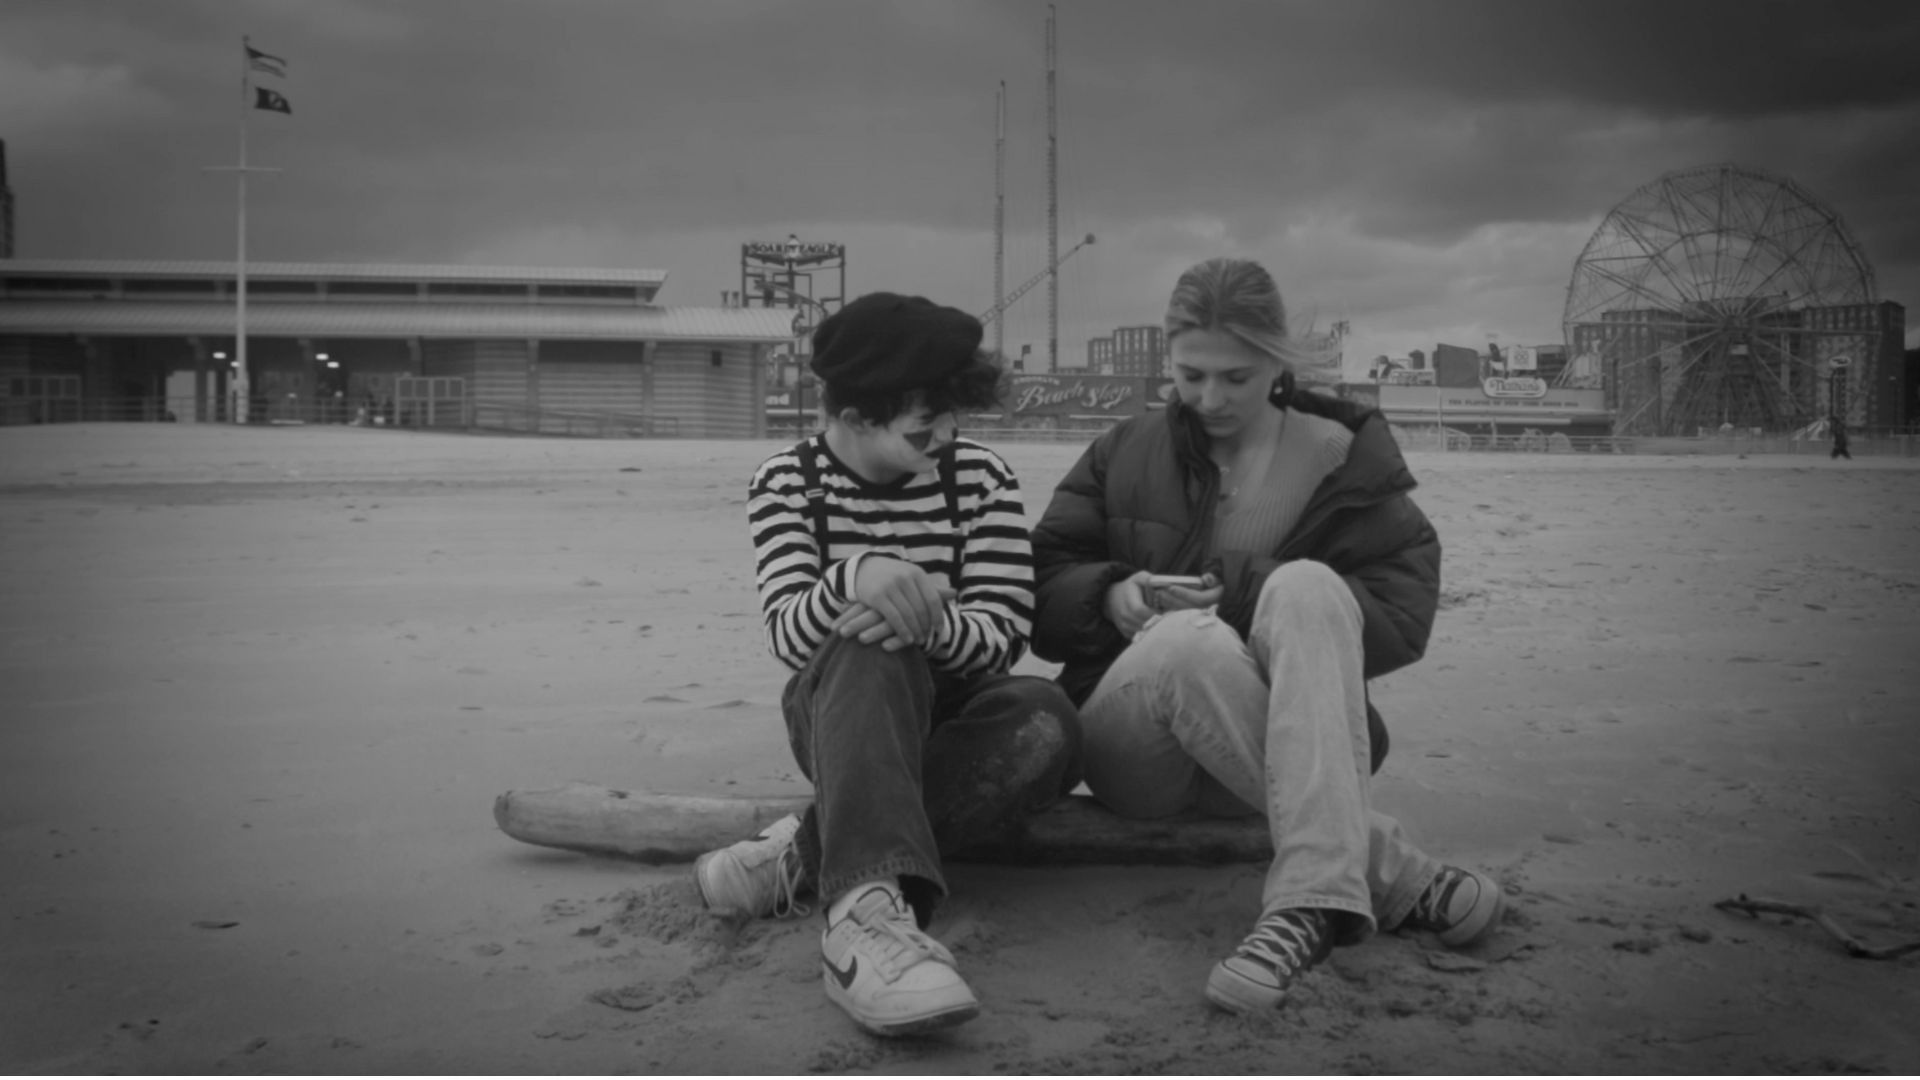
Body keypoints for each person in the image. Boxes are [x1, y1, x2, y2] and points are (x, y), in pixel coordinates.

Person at [1028, 257, 1504, 1015]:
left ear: (1278, 363)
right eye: (1190, 375)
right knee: (1185, 641)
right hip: (1133, 754)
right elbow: (1039, 580)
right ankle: (1394, 873)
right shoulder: (1125, 448)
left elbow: (1401, 613)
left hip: (1268, 753)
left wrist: (1245, 589)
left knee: (1308, 585)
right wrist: (1111, 594)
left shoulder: (1340, 458)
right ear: (1169, 357)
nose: (1210, 398)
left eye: (1236, 378)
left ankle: (1301, 909)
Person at [693, 292, 1081, 1037]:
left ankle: (807, 852)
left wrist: (921, 616)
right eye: (924, 425)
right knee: (870, 645)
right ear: (856, 416)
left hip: (961, 706)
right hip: (840, 708)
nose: (949, 436)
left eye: (954, 416)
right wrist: (857, 578)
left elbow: (1003, 634)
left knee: (1050, 721)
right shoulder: (787, 482)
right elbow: (790, 637)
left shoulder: (980, 477)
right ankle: (863, 920)